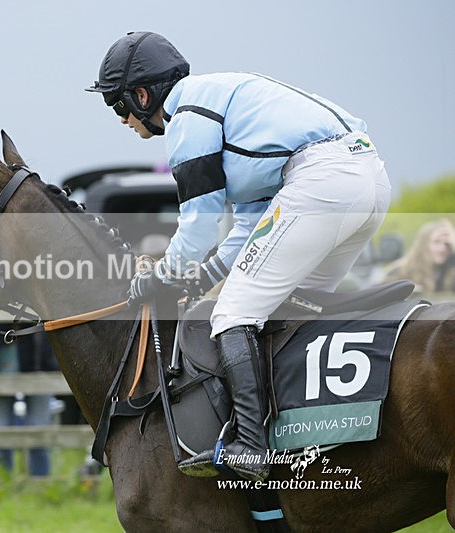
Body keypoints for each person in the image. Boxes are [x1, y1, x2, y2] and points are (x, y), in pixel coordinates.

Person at [86, 31, 391, 482]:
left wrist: (162, 277)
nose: (123, 120)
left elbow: (198, 225)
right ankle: (312, 434)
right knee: (290, 309)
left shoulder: (187, 118)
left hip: (324, 181)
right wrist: (197, 278)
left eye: (118, 106)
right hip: (364, 179)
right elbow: (245, 234)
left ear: (143, 94)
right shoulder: (226, 113)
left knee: (232, 314)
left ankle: (251, 444)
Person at [0, 328, 57, 477]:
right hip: (0, 360)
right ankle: (1, 482)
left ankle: (40, 484)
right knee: (0, 431)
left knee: (38, 433)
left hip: (39, 364)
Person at [382, 218, 455, 293]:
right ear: (423, 244)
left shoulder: (450, 271)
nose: (442, 249)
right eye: (437, 242)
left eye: (447, 244)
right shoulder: (401, 270)